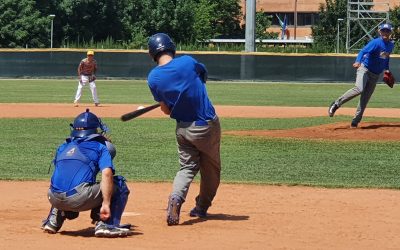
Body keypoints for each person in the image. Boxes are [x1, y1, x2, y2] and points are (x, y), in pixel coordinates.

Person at [146, 33, 221, 226]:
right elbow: (203, 76)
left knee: (187, 168)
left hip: (183, 129)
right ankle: (201, 207)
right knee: (211, 169)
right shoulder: (187, 62)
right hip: (205, 124)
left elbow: (165, 109)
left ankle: (176, 199)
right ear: (171, 46)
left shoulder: (153, 78)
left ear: (152, 53)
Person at [41, 109, 132, 237]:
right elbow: (107, 174)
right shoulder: (100, 147)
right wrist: (105, 204)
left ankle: (53, 220)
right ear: (94, 130)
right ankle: (107, 225)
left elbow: (62, 174)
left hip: (53, 198)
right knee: (119, 183)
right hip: (78, 198)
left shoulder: (63, 146)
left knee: (66, 183)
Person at [328, 23, 395, 128]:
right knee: (359, 89)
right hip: (365, 69)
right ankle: (336, 104)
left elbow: (386, 57)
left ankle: (355, 122)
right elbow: (363, 51)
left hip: (375, 74)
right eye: (383, 31)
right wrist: (358, 61)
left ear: (391, 32)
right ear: (380, 32)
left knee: (365, 98)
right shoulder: (376, 43)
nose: (385, 33)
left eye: (387, 31)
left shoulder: (391, 45)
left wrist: (386, 70)